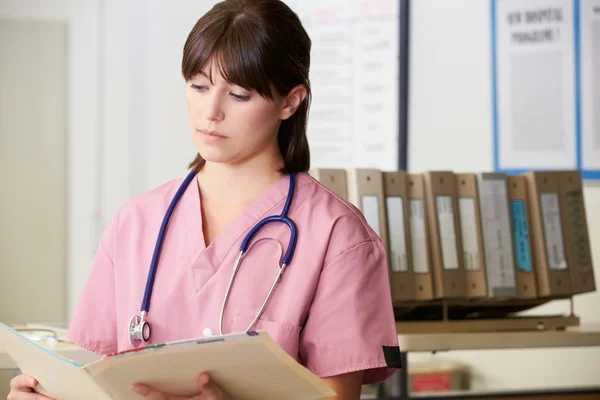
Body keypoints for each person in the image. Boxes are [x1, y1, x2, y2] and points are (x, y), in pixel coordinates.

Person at [8, 0, 401, 399]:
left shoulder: (339, 237)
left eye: (239, 95)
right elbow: (93, 377)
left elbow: (337, 395)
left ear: (290, 101)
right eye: (199, 86)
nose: (210, 112)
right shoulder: (135, 223)